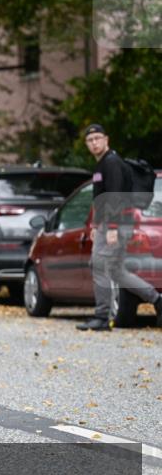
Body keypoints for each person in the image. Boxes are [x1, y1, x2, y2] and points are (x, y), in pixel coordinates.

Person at [77, 124, 162, 330]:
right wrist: (95, 224)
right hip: (108, 224)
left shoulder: (112, 163)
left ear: (106, 140)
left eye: (97, 138)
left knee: (99, 265)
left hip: (116, 224)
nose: (94, 143)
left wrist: (113, 227)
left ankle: (102, 317)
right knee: (117, 272)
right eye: (90, 140)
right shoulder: (102, 164)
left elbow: (115, 195)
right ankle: (158, 300)